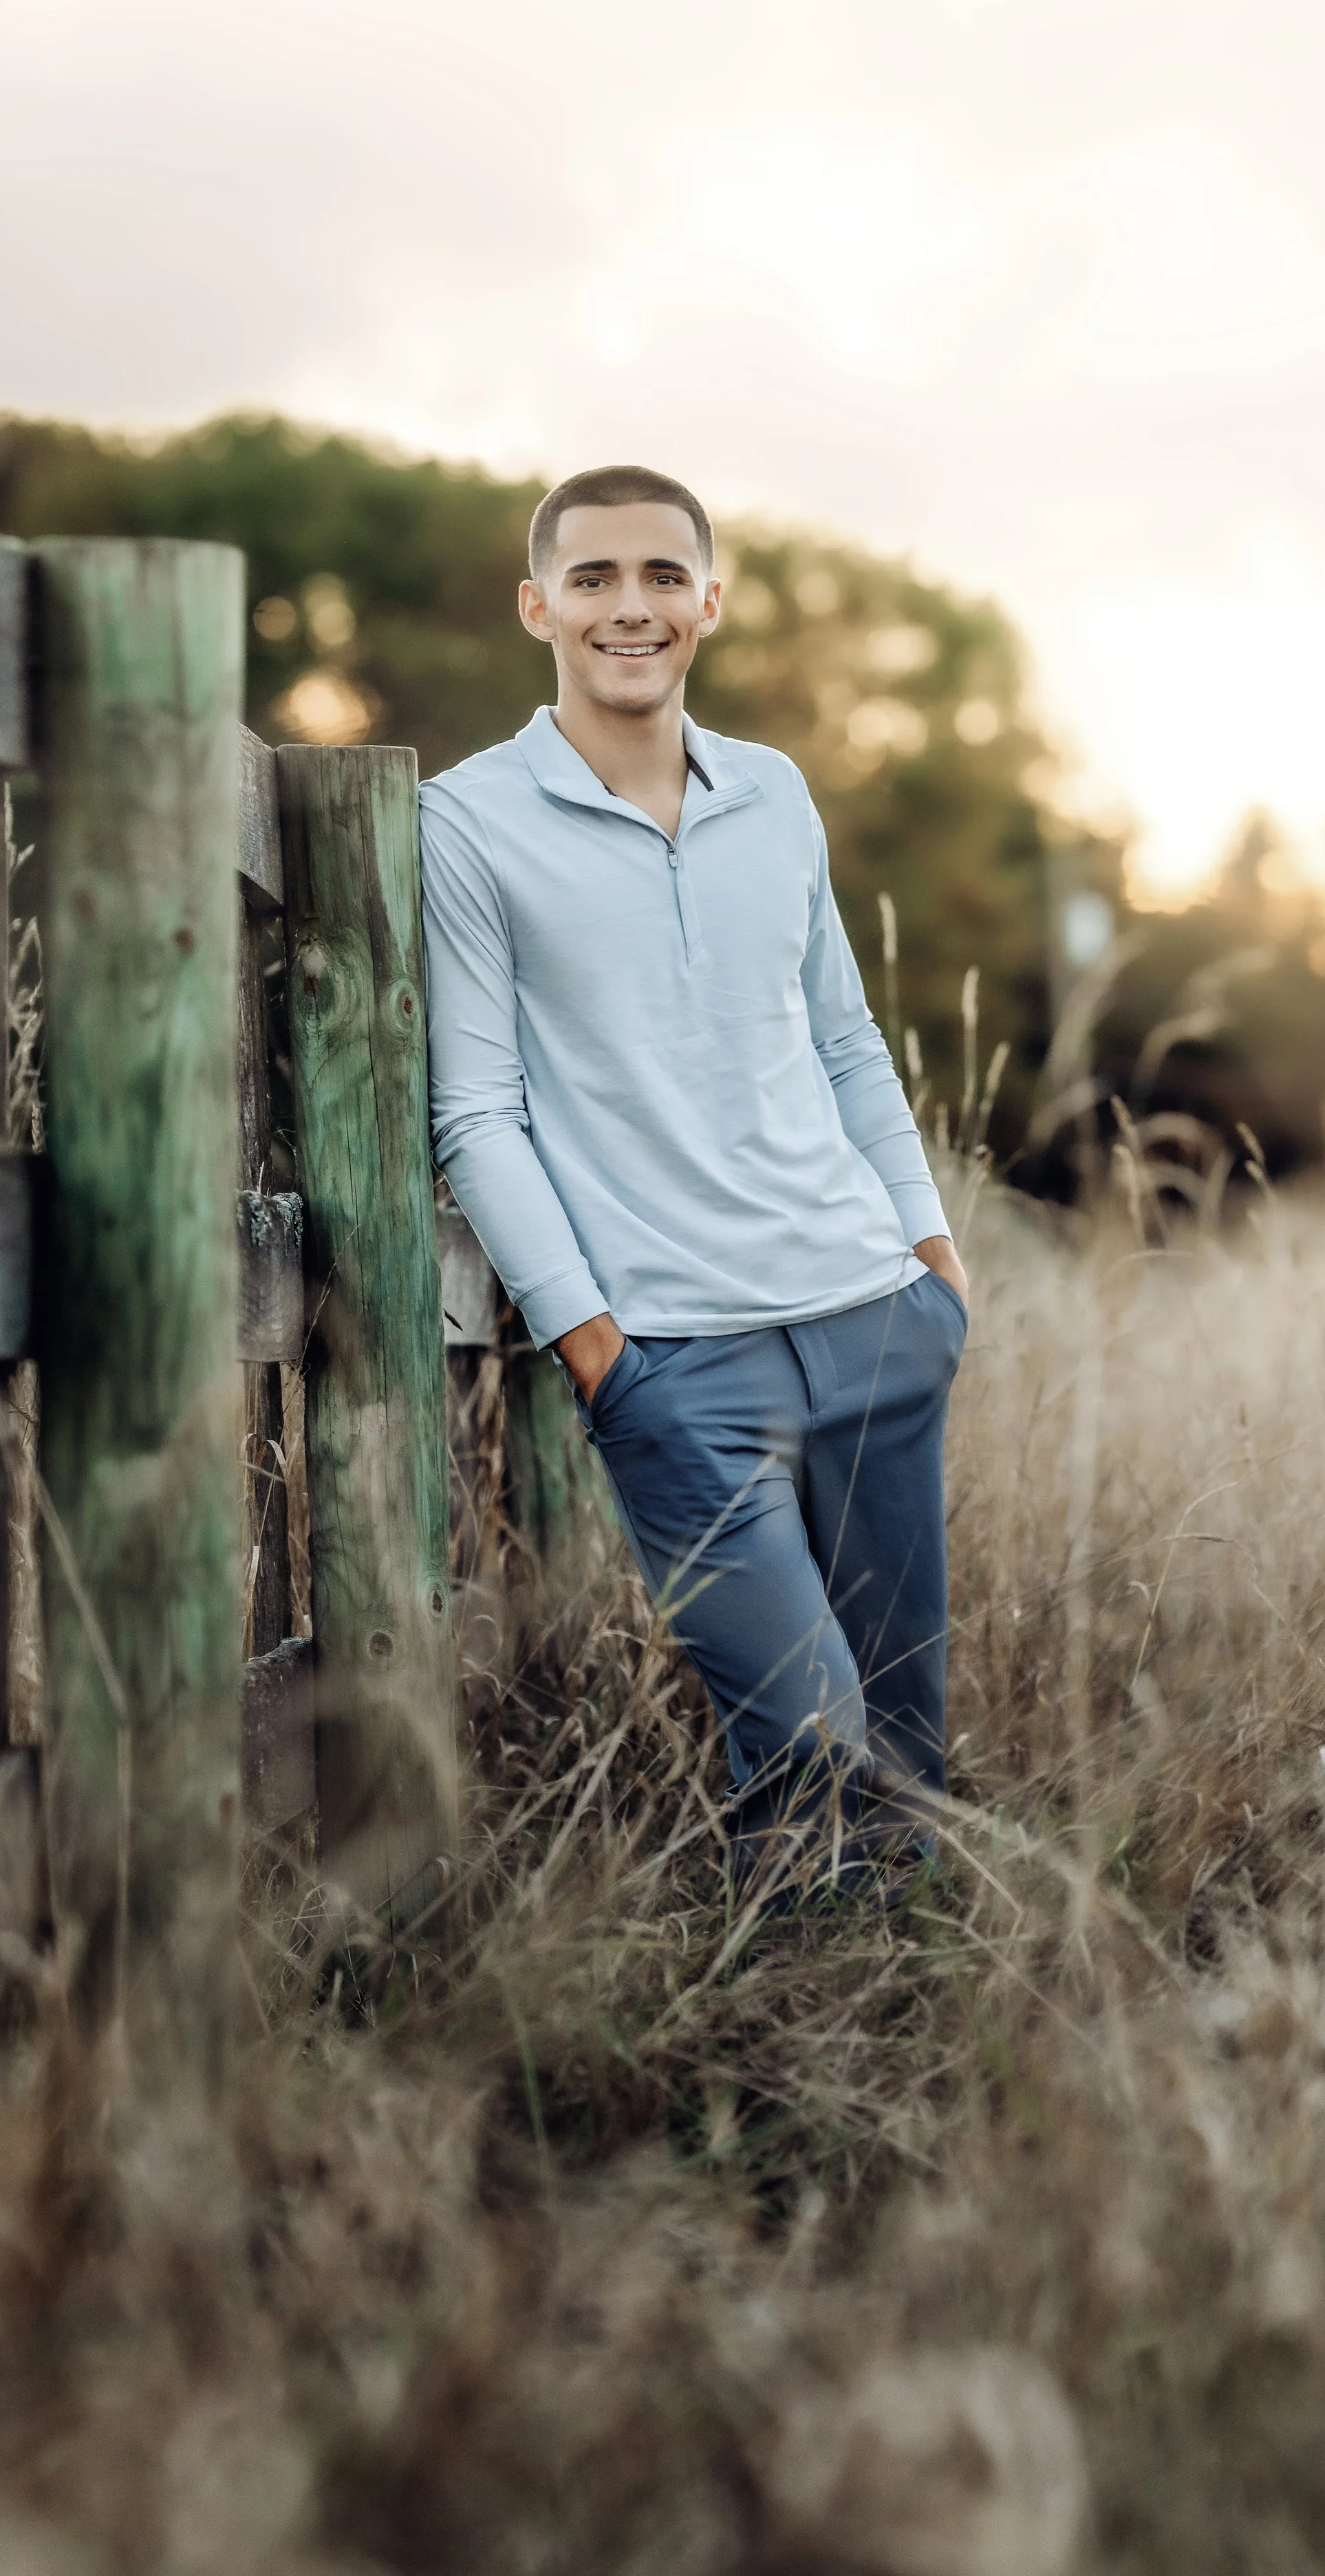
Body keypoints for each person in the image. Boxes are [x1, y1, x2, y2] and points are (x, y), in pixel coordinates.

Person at [419, 463, 970, 1901]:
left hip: (870, 1317)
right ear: (537, 604)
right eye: (593, 577)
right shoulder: (467, 823)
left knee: (906, 1749)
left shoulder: (775, 792)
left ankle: (904, 2037)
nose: (629, 607)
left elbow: (843, 1038)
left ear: (707, 603)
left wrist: (929, 1251)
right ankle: (778, 2060)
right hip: (676, 1364)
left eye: (662, 576)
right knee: (804, 1741)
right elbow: (475, 1111)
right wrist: (597, 1347)